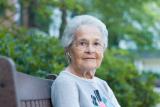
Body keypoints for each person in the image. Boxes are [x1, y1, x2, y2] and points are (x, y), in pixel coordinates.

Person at [51, 15, 121, 107]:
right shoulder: (66, 83)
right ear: (68, 49)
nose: (90, 50)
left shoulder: (102, 85)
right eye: (82, 43)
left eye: (96, 43)